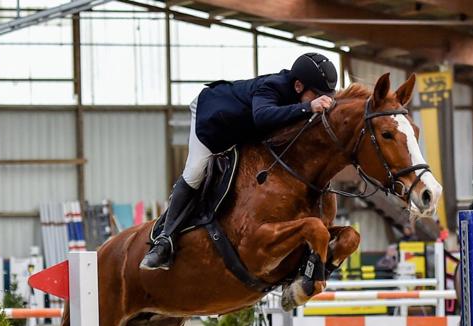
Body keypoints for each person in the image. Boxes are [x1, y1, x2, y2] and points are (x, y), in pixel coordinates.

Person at [140, 53, 339, 271]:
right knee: (195, 171)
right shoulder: (272, 86)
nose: (322, 99)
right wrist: (308, 107)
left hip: (243, 129)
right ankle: (164, 241)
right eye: (317, 94)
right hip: (212, 122)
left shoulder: (300, 95)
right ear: (299, 86)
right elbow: (262, 117)